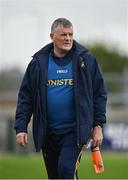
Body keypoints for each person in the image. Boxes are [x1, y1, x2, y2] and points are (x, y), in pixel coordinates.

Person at [14, 18, 107, 179]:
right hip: (47, 132)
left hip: (74, 132)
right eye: (63, 34)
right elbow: (26, 97)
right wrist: (21, 127)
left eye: (70, 34)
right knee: (55, 176)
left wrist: (97, 125)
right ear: (52, 36)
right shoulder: (38, 63)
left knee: (66, 170)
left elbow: (99, 94)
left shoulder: (86, 60)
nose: (68, 38)